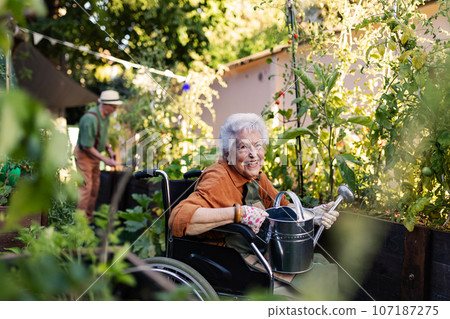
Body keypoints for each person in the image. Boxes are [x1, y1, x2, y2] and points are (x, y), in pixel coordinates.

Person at [168, 113, 340, 298]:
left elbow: (281, 209)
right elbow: (178, 218)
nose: (253, 154)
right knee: (306, 289)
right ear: (227, 153)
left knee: (321, 267)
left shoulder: (256, 175)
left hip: (258, 249)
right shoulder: (218, 177)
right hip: (231, 261)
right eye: (243, 147)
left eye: (258, 145)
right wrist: (238, 214)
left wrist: (311, 214)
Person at [75, 90, 122, 223]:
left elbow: (103, 135)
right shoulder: (90, 119)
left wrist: (109, 150)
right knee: (85, 189)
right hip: (85, 155)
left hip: (95, 155)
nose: (115, 109)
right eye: (113, 107)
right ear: (105, 104)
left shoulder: (105, 117)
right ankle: (78, 225)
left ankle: (88, 221)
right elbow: (86, 146)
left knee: (95, 189)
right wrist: (106, 160)